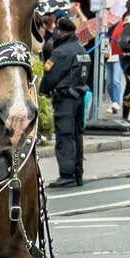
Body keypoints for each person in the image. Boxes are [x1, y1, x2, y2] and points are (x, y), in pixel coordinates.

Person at [39, 13, 90, 187]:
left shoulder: (60, 53)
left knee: (65, 135)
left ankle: (67, 175)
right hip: (79, 96)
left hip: (65, 99)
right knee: (77, 134)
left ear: (60, 32)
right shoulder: (81, 49)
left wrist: (43, 91)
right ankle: (78, 174)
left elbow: (50, 77)